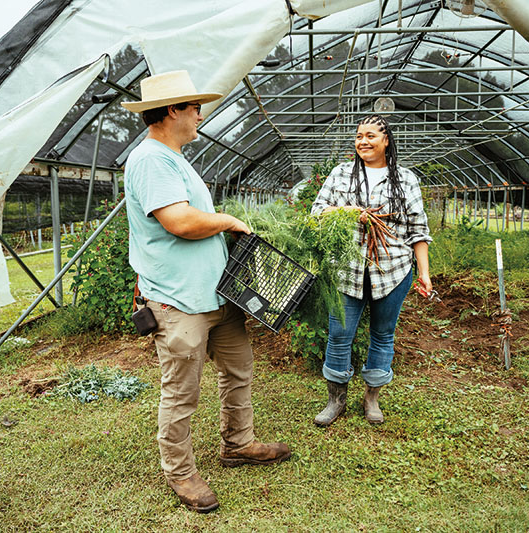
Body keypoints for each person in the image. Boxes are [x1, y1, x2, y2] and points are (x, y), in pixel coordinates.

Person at [121, 70, 290, 514]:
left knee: (238, 372)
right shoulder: (151, 160)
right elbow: (181, 222)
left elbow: (193, 216)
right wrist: (229, 220)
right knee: (181, 391)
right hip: (179, 302)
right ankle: (180, 473)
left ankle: (238, 444)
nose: (200, 114)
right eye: (194, 107)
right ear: (173, 110)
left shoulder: (176, 157)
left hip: (217, 296)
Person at [310, 114, 432, 426]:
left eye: (370, 136)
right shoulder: (341, 175)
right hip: (345, 270)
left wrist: (424, 274)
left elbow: (418, 230)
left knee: (382, 333)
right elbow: (317, 213)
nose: (363, 141)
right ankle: (335, 399)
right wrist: (349, 212)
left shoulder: (405, 180)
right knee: (339, 335)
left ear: (386, 140)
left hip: (393, 271)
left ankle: (371, 398)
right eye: (358, 136)